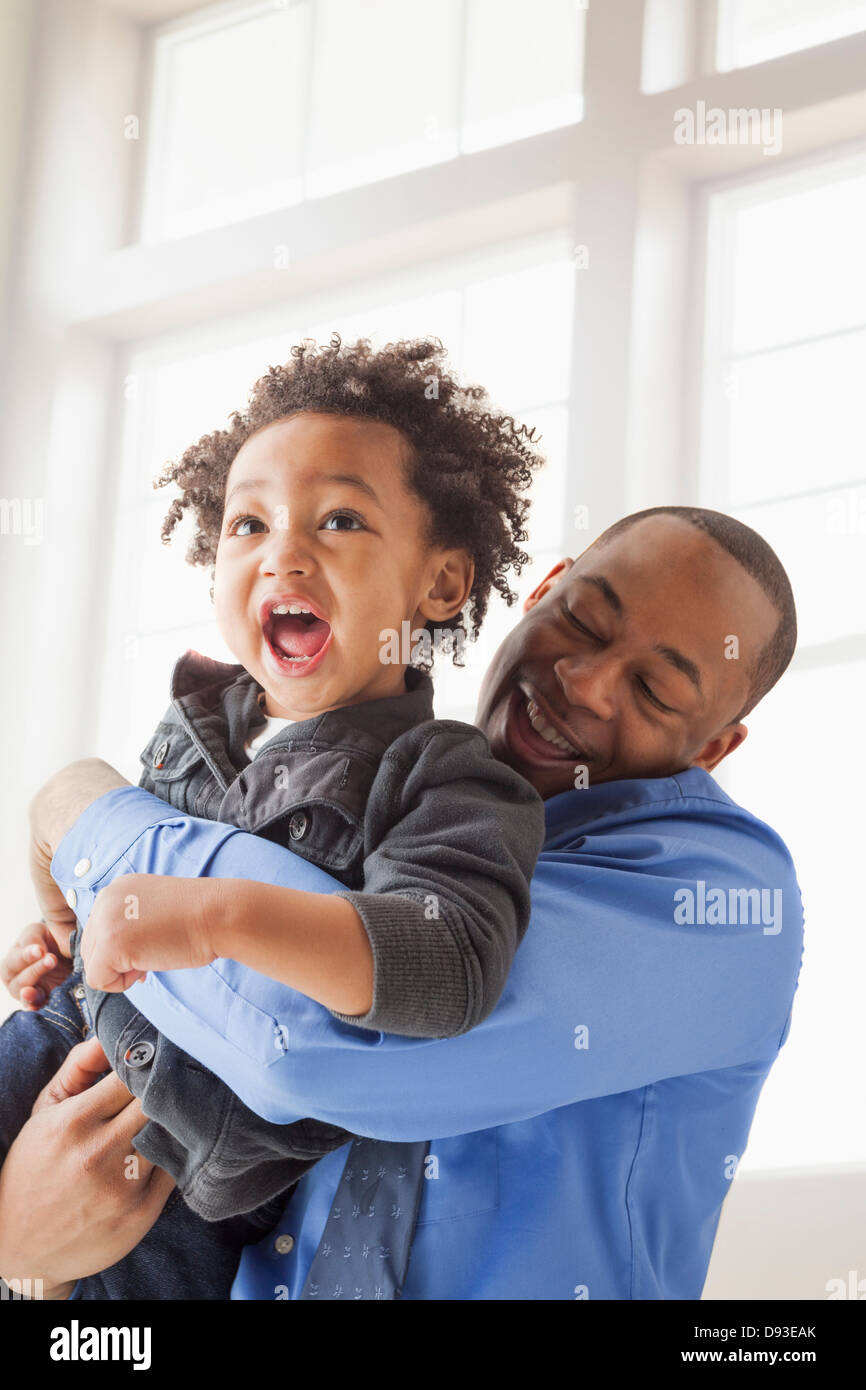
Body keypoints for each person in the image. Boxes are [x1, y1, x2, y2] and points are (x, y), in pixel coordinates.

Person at [0, 507, 805, 1300]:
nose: (585, 685)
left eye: (656, 689)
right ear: (544, 589)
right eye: (585, 621)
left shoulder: (725, 900)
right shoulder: (408, 796)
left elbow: (312, 1037)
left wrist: (80, 811)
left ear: (711, 748)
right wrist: (37, 1261)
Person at [0, 333, 549, 1287]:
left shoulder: (447, 774)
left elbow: (449, 961)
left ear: (442, 582)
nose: (282, 552)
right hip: (55, 1041)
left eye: (339, 520)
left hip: (182, 1163)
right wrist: (63, 934)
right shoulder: (196, 721)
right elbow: (105, 894)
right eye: (247, 525)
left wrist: (217, 916)